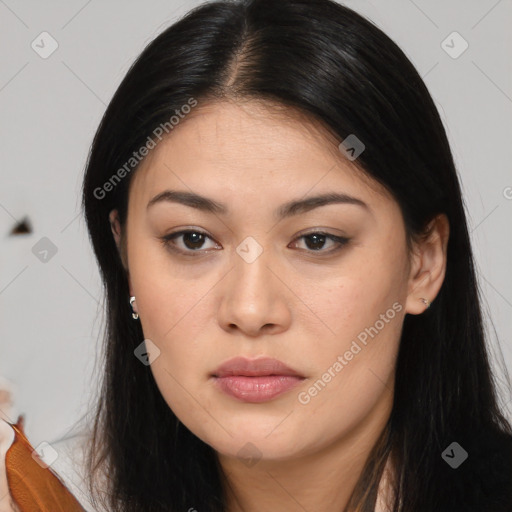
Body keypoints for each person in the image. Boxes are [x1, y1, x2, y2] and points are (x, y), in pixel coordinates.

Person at [2, 0, 511, 510]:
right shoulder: (36, 496)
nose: (249, 310)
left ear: (422, 264)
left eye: (317, 240)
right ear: (123, 252)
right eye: (192, 239)